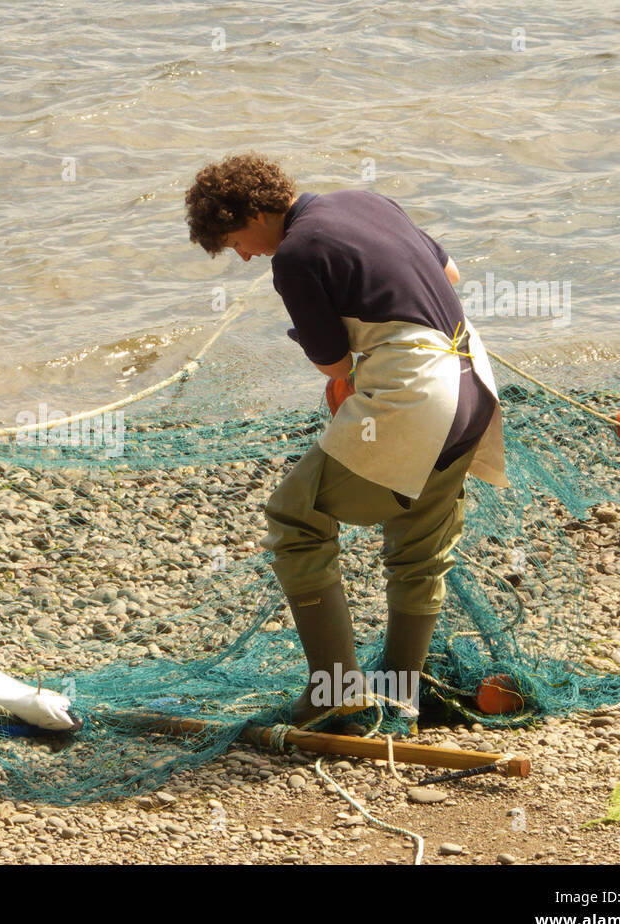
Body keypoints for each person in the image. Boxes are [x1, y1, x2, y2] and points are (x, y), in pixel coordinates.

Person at [184, 154, 509, 728]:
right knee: (418, 547)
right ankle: (400, 694)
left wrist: (324, 339)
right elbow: (450, 276)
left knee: (295, 519)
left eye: (233, 239)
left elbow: (333, 364)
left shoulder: (296, 254)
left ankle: (335, 690)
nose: (242, 255)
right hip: (472, 383)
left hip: (417, 397)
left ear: (253, 212)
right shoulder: (365, 201)